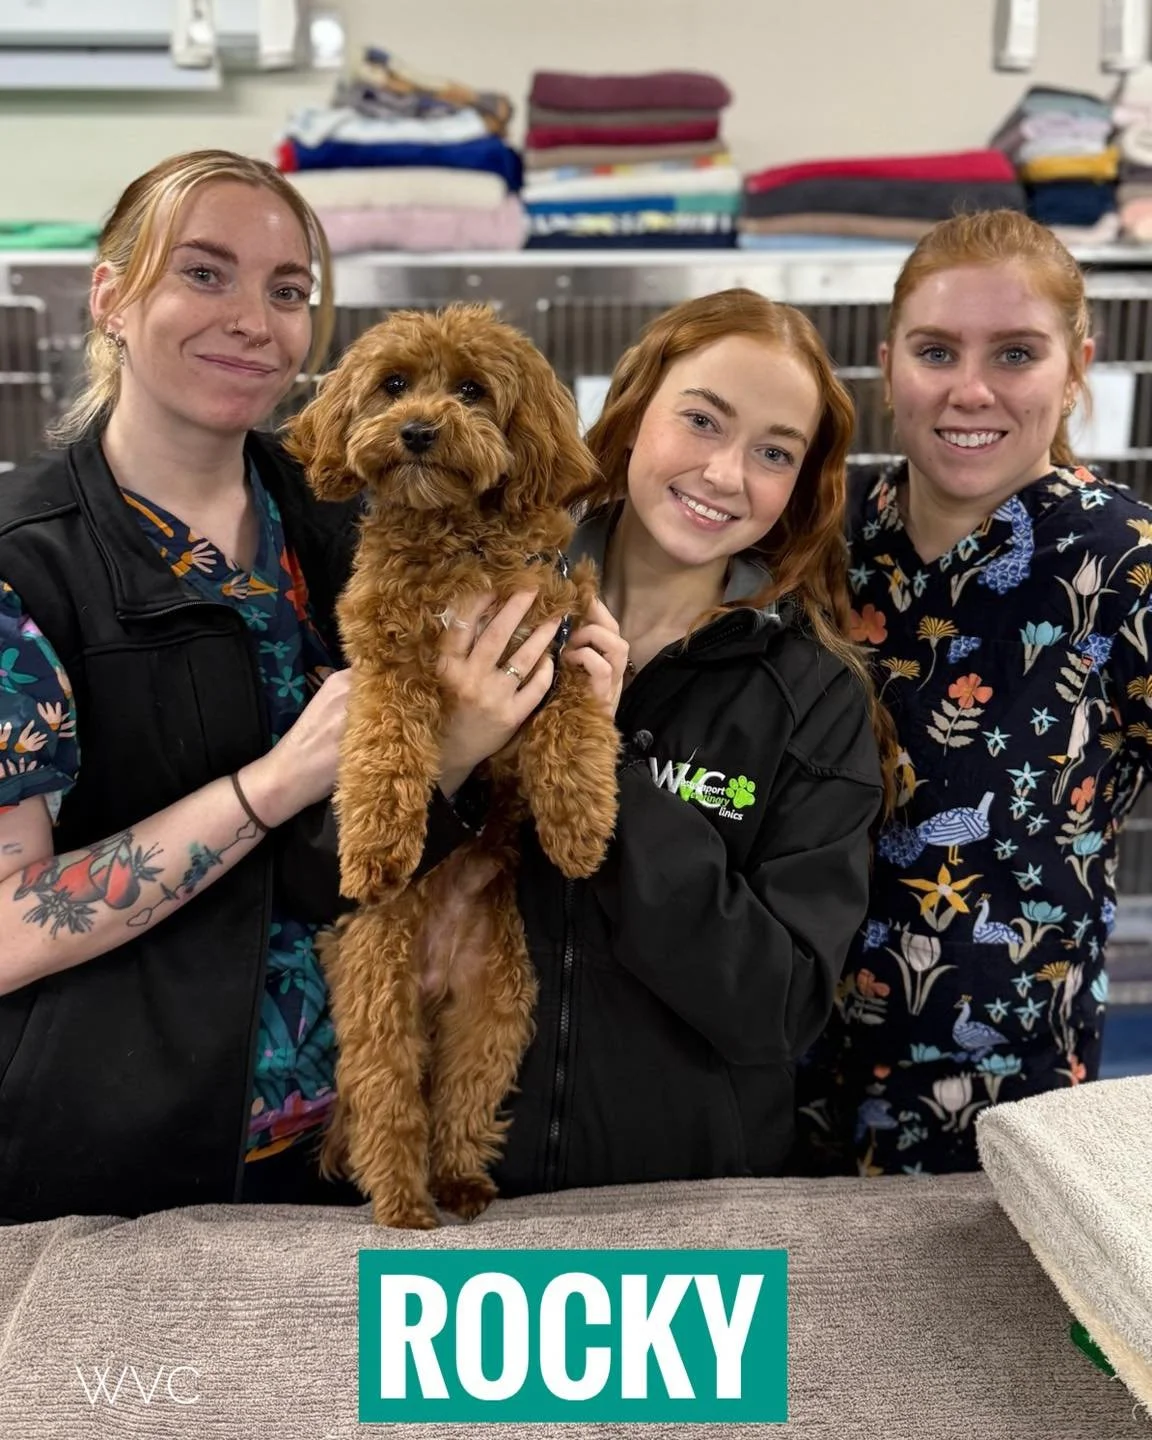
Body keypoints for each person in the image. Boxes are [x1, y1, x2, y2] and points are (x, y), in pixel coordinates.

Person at [0, 149, 574, 1222]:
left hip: (354, 1147)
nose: (254, 321)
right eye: (204, 274)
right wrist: (273, 784)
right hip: (136, 1159)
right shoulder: (25, 568)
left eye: (288, 289)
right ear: (113, 297)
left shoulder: (359, 517)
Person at [479, 288, 886, 1197]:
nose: (726, 474)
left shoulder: (812, 695)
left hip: (692, 1213)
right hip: (458, 1185)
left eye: (773, 452)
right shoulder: (492, 611)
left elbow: (778, 1007)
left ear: (800, 485)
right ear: (631, 412)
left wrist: (610, 767)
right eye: (703, 420)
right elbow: (348, 878)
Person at [796, 209, 1152, 1177]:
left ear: (1077, 366)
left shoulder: (1122, 565)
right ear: (886, 364)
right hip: (780, 1072)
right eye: (937, 350)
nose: (970, 389)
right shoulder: (817, 544)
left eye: (1016, 353)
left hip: (1005, 1096)